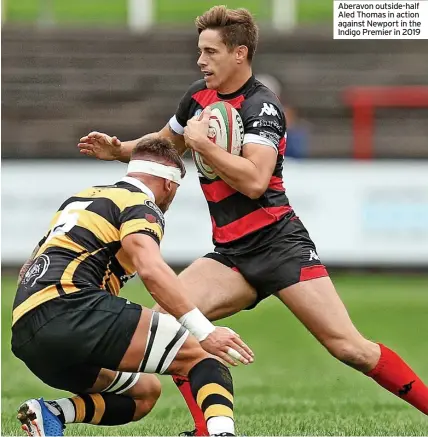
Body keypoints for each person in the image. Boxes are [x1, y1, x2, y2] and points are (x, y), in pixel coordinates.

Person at [78, 5, 428, 436]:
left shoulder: (263, 106)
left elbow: (257, 181)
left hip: (280, 246)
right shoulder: (197, 98)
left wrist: (203, 148)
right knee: (168, 324)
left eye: (210, 52)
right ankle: (208, 430)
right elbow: (165, 143)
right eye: (200, 52)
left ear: (239, 53)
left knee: (349, 348)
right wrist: (120, 150)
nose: (201, 61)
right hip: (231, 254)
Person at [12, 137, 254, 437]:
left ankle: (51, 413)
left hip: (26, 331)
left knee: (144, 392)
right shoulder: (141, 205)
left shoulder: (82, 198)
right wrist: (206, 331)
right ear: (169, 184)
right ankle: (220, 433)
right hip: (72, 309)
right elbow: (151, 270)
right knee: (200, 357)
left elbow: (27, 269)